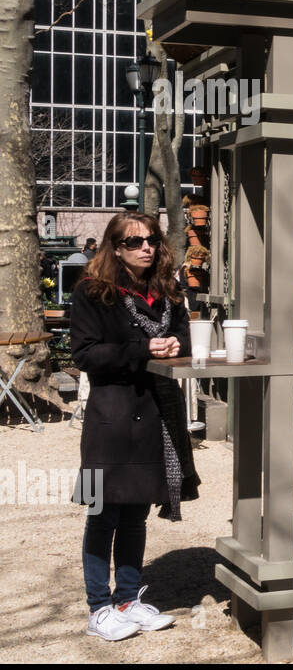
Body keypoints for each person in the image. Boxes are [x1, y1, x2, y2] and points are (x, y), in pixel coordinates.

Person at [70, 211, 199, 642]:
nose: (145, 247)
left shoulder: (169, 291)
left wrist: (177, 343)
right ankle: (98, 609)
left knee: (137, 512)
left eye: (151, 240)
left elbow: (184, 338)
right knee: (101, 512)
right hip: (111, 417)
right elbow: (85, 354)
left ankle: (127, 599)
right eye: (133, 241)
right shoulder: (92, 291)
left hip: (157, 413)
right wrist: (143, 349)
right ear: (115, 247)